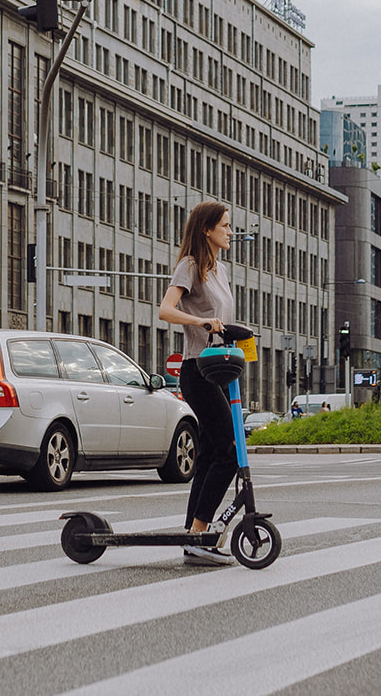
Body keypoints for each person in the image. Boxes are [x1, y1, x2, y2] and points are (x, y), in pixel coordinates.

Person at [158, 200, 239, 566]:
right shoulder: (190, 266)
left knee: (209, 454)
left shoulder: (219, 270)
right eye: (224, 225)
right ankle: (200, 533)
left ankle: (194, 537)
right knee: (229, 450)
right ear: (206, 229)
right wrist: (201, 322)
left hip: (220, 371)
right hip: (197, 370)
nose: (230, 231)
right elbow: (165, 309)